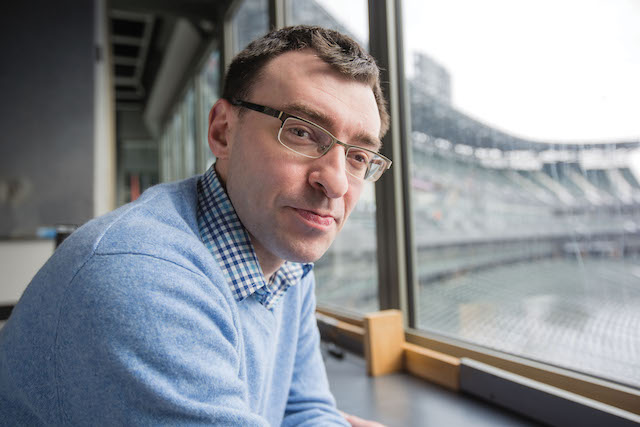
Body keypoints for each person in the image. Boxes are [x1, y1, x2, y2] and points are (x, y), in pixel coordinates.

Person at [0, 25, 391, 426]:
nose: (337, 182)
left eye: (358, 156)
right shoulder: (142, 279)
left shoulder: (286, 260)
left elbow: (306, 411)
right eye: (301, 132)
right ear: (223, 132)